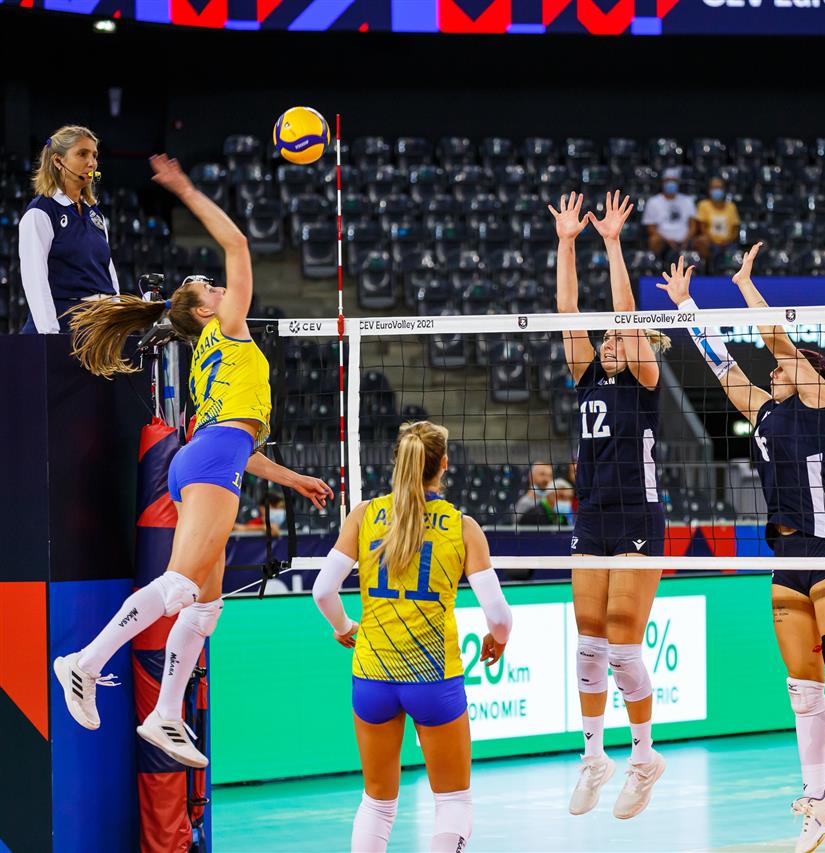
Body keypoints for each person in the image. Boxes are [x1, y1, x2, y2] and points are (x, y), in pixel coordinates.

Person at [51, 155, 332, 768]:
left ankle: (166, 713)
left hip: (206, 457)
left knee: (206, 604)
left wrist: (292, 478)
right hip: (210, 459)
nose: (223, 288)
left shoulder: (211, 349)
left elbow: (236, 443)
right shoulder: (227, 329)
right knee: (181, 586)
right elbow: (237, 243)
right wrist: (183, 187)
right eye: (213, 288)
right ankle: (84, 662)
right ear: (206, 310)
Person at [657, 242, 825, 849]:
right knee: (802, 688)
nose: (772, 373)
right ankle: (818, 800)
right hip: (786, 557)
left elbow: (774, 341)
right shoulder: (764, 412)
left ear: (807, 373)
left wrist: (744, 285)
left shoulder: (819, 401)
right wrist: (686, 307)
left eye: (782, 368)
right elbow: (721, 365)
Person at [310, 420, 514, 853]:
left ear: (398, 462)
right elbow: (498, 615)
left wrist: (344, 627)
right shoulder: (462, 527)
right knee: (453, 802)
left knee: (377, 803)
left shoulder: (364, 515)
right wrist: (499, 638)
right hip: (433, 678)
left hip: (373, 674)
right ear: (443, 464)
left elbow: (323, 591)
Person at [550, 190, 671, 819]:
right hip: (592, 514)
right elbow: (567, 311)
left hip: (638, 516)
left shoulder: (645, 382)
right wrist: (567, 244)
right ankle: (594, 757)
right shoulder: (587, 378)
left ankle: (644, 757)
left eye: (619, 338)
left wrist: (613, 243)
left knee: (623, 647)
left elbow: (625, 313)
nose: (609, 341)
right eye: (605, 340)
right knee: (588, 645)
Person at [19, 125, 120, 334]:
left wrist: (116, 324)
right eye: (82, 154)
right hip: (62, 325)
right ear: (58, 161)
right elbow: (35, 278)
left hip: (96, 327)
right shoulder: (41, 212)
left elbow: (107, 273)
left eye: (94, 155)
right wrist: (50, 335)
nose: (92, 163)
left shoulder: (95, 215)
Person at [642, 169, 697, 258]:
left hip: (685, 240)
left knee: (700, 241)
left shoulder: (688, 200)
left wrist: (686, 240)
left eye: (673, 180)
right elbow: (651, 228)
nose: (670, 183)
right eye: (667, 180)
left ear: (678, 182)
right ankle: (655, 263)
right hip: (663, 241)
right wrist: (667, 240)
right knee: (654, 240)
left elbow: (693, 225)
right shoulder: (653, 202)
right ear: (662, 183)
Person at [693, 176, 740, 261]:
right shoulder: (703, 205)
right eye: (714, 188)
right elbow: (702, 228)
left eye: (719, 187)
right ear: (709, 190)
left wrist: (727, 241)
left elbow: (735, 229)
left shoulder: (731, 206)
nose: (717, 190)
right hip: (710, 243)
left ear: (724, 189)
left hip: (728, 243)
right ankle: (709, 266)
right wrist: (714, 241)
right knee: (701, 241)